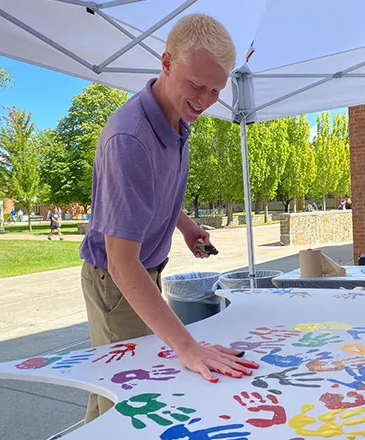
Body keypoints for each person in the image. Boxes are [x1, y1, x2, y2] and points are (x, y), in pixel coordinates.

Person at [79, 14, 259, 423]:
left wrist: (183, 223)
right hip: (118, 280)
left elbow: (149, 189)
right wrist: (188, 345)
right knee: (126, 397)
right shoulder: (130, 139)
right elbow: (122, 265)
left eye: (215, 89)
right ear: (166, 63)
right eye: (197, 85)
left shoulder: (176, 118)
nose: (205, 100)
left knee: (120, 388)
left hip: (146, 270)